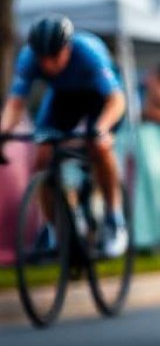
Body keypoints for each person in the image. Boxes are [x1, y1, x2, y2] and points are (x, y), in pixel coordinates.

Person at [0, 15, 129, 257]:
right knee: (42, 158)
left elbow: (116, 100)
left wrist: (102, 129)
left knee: (99, 147)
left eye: (55, 57)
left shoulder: (88, 52)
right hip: (64, 100)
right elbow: (15, 103)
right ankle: (54, 228)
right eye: (43, 59)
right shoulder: (29, 58)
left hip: (101, 100)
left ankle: (114, 218)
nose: (49, 65)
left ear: (67, 47)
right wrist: (4, 132)